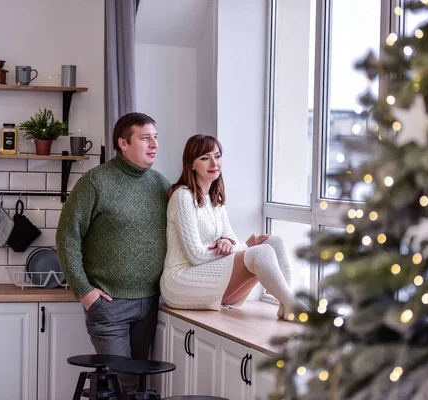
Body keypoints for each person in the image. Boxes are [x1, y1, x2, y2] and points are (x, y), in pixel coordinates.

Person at [56, 112, 170, 390]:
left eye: (155, 137)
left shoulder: (161, 184)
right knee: (122, 385)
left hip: (152, 302)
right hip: (108, 305)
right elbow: (66, 236)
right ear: (123, 143)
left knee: (134, 386)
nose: (154, 144)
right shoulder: (95, 182)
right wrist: (84, 290)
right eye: (145, 138)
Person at [160, 134, 299, 319]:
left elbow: (230, 237)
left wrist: (226, 241)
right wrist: (244, 246)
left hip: (207, 278)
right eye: (204, 158)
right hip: (179, 281)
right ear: (191, 164)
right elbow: (195, 255)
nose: (213, 163)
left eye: (217, 156)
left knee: (274, 242)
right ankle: (294, 306)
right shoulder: (183, 196)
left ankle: (286, 304)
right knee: (261, 252)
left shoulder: (215, 198)